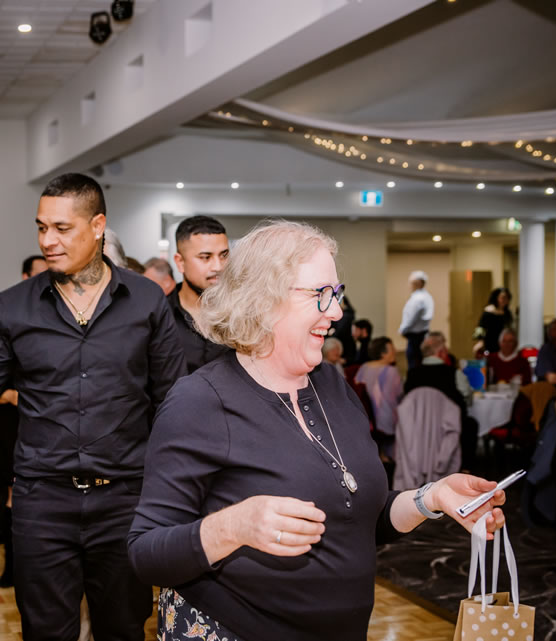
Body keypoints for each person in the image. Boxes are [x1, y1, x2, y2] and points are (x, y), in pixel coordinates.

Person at [126, 220, 506, 641]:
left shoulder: (331, 386)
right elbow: (146, 553)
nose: (337, 312)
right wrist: (234, 527)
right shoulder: (199, 401)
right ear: (263, 300)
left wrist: (430, 497)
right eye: (320, 294)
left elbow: (358, 516)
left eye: (336, 293)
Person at [0, 173, 186, 641]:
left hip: (124, 501)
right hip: (42, 503)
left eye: (62, 228)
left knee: (123, 629)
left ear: (97, 226)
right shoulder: (14, 306)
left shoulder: (145, 301)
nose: (47, 241)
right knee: (45, 632)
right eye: (42, 227)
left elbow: (173, 399)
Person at [0, 254, 48, 587]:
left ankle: (22, 567)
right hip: (10, 427)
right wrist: (12, 395)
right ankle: (12, 567)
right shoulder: (11, 313)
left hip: (41, 429)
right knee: (10, 494)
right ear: (26, 276)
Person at [168, 215, 231, 373]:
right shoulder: (161, 314)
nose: (218, 267)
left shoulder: (242, 311)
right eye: (205, 257)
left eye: (224, 255)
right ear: (180, 262)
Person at [405, 334, 476, 470]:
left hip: (419, 426)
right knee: (471, 424)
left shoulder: (412, 374)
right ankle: (465, 468)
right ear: (441, 353)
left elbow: (406, 400)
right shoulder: (454, 373)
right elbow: (467, 396)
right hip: (449, 427)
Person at [355, 337, 403, 456]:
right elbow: (396, 398)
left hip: (365, 420)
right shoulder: (391, 371)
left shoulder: (364, 367)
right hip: (384, 421)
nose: (395, 351)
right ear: (383, 354)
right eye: (392, 349)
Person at [398, 270, 434, 369]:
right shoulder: (426, 296)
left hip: (416, 337)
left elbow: (410, 318)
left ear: (417, 283)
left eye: (411, 283)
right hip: (421, 334)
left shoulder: (418, 299)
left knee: (414, 361)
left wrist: (403, 330)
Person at [477, 288, 513, 354]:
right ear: (496, 298)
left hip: (503, 343)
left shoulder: (507, 313)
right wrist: (480, 341)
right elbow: (480, 327)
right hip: (490, 342)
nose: (505, 300)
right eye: (503, 298)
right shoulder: (489, 311)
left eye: (507, 298)